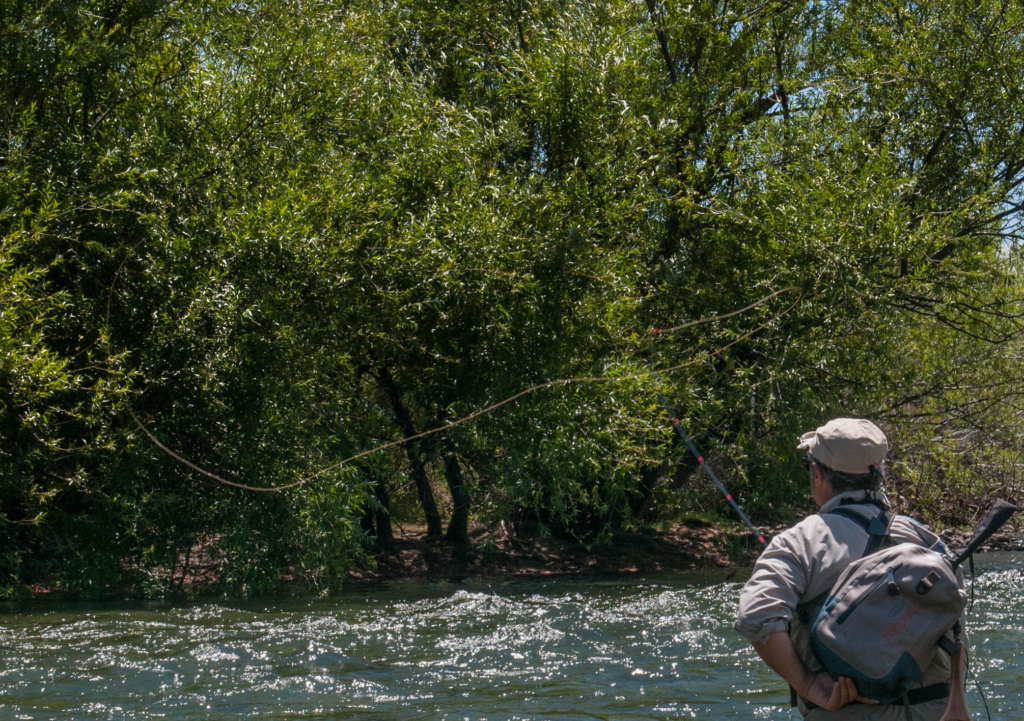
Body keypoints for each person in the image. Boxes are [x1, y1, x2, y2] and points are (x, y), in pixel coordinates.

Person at [734, 418, 964, 720]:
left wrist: (808, 684)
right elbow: (954, 619)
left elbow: (756, 616)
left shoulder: (797, 543)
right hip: (934, 711)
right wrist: (957, 702)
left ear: (817, 474)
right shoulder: (923, 539)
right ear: (878, 475)